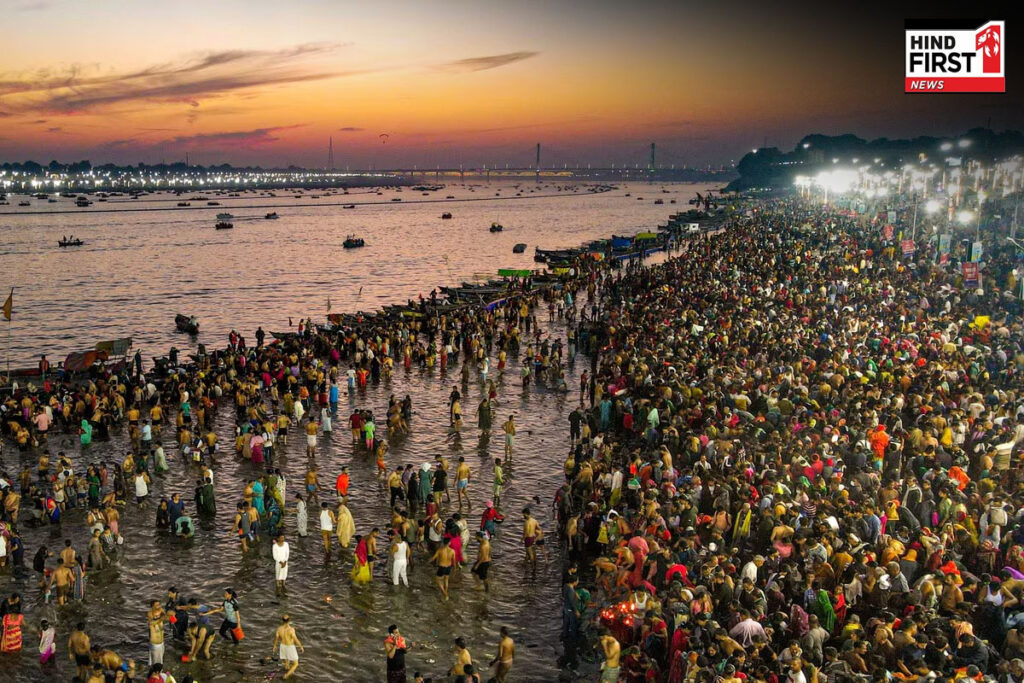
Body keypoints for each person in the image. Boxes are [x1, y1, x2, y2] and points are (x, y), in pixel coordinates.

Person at [272, 615, 304, 680]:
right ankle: (286, 675)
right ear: (289, 620)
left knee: (287, 661)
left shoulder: (279, 629)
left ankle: (286, 669)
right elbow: (295, 639)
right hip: (290, 647)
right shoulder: (291, 629)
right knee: (296, 664)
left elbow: (276, 638)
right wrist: (301, 646)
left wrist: (275, 646)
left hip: (282, 646)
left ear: (282, 621)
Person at [147, 600, 165, 667]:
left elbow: (165, 614)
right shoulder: (150, 614)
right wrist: (163, 617)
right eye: (157, 605)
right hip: (155, 645)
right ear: (152, 607)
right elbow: (153, 621)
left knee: (160, 660)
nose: (159, 606)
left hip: (161, 643)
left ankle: (158, 671)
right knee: (155, 664)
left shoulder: (160, 613)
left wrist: (168, 614)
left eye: (159, 604)